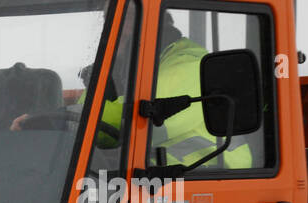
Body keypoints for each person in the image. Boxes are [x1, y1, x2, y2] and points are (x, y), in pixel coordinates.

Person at [13, 12, 251, 169]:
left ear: (151, 23)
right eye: (111, 18)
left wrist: (51, 123)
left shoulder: (188, 64)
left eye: (124, 18)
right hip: (153, 181)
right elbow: (89, 111)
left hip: (209, 177)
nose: (115, 27)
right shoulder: (129, 65)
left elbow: (131, 121)